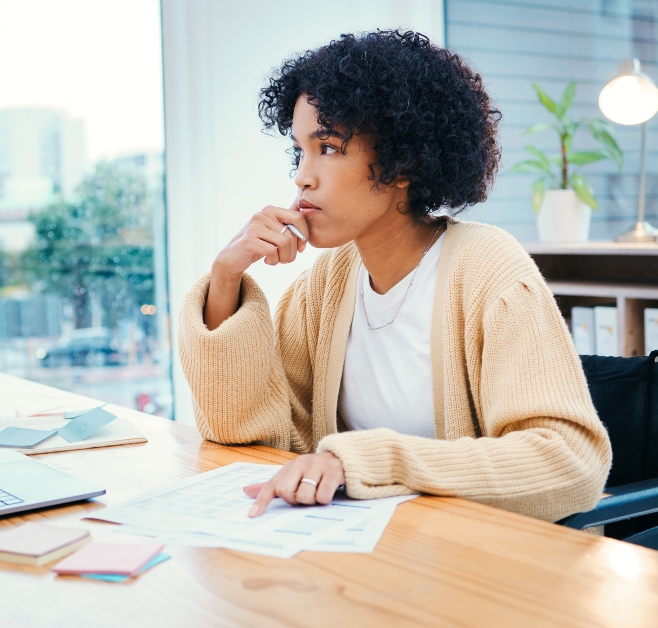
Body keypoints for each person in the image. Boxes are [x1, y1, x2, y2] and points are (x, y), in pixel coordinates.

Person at [179, 30, 611, 522]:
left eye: (329, 147)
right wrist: (225, 278)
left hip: (484, 565)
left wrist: (367, 461)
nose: (302, 175)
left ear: (401, 163)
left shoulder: (489, 270)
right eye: (300, 150)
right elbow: (262, 443)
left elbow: (570, 464)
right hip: (379, 553)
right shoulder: (326, 285)